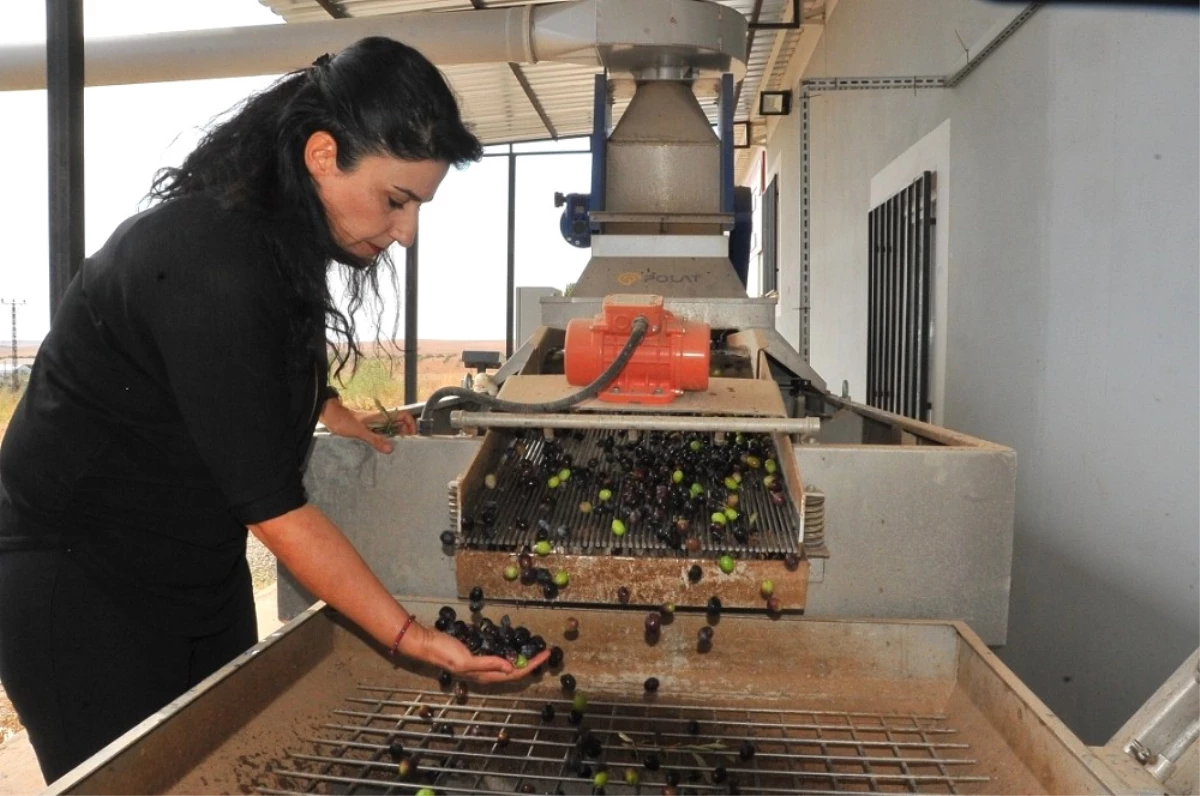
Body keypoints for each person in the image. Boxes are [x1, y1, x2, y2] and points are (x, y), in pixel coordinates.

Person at [0, 36, 547, 784]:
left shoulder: (280, 239)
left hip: (194, 567)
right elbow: (275, 509)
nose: (408, 232)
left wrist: (325, 404)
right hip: (81, 586)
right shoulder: (209, 256)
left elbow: (244, 360)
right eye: (397, 200)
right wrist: (410, 637)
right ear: (323, 154)